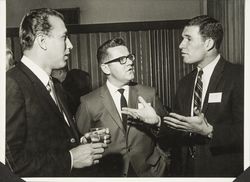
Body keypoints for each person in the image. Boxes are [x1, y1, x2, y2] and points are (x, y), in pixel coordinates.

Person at [122, 15, 244, 177]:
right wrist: (157, 122)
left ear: (208, 43)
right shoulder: (185, 83)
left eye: (188, 39)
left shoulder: (239, 77)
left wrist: (209, 131)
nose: (181, 45)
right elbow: (177, 134)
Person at [6, 8, 107, 177]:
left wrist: (80, 139)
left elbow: (54, 139)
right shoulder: (11, 84)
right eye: (64, 37)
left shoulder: (56, 86)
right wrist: (71, 159)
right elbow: (10, 163)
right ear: (42, 41)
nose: (70, 45)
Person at [76, 38, 168, 177]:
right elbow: (80, 142)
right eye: (122, 60)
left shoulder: (148, 94)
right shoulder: (88, 102)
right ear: (105, 68)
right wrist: (85, 141)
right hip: (111, 174)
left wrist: (158, 123)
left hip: (150, 173)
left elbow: (170, 134)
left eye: (130, 57)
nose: (130, 62)